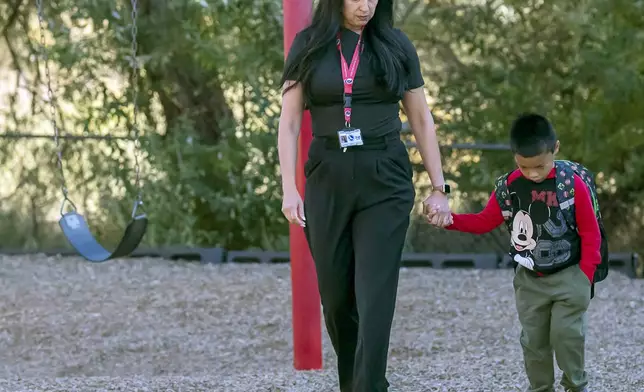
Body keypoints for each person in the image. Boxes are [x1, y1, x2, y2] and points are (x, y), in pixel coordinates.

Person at [277, 0, 452, 390]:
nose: (366, 6)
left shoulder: (395, 44)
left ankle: (369, 386)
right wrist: (290, 188)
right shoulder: (307, 45)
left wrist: (439, 188)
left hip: (384, 176)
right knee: (337, 301)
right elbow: (289, 122)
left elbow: (421, 118)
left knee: (374, 298)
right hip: (327, 176)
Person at [427, 113, 600, 392]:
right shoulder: (509, 187)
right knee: (534, 342)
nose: (532, 174)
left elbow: (590, 233)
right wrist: (450, 220)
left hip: (570, 275)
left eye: (540, 166)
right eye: (524, 166)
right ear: (514, 157)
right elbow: (485, 221)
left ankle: (576, 385)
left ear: (555, 148)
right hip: (530, 280)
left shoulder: (570, 184)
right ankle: (541, 388)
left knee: (566, 335)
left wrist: (585, 276)